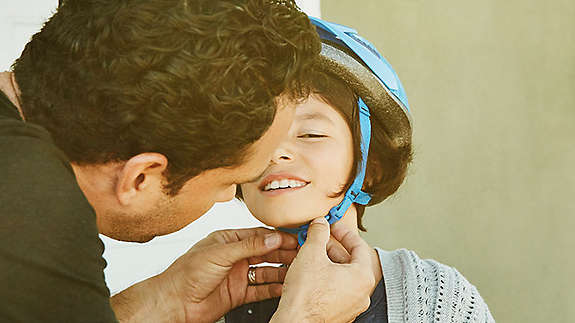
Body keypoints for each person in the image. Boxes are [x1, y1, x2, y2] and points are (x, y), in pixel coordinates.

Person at [0, 1, 377, 322]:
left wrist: (160, 302)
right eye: (228, 181)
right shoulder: (32, 216)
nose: (228, 196)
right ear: (141, 177)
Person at [226, 18, 496, 322]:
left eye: (310, 134)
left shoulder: (440, 300)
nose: (275, 152)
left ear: (371, 166)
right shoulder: (216, 297)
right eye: (258, 135)